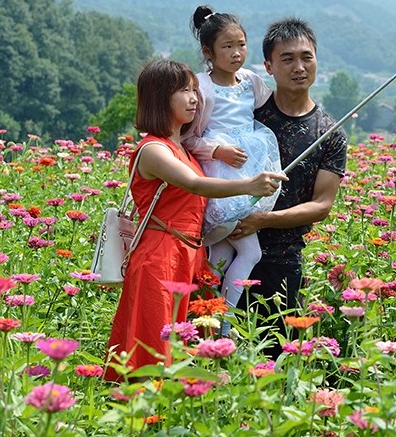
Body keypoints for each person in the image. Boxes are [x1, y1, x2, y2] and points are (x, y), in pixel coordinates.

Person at [104, 59, 286, 381]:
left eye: (194, 90)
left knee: (186, 352)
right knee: (153, 353)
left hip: (190, 255)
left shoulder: (184, 148)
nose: (194, 98)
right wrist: (249, 185)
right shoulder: (153, 149)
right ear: (160, 98)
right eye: (184, 91)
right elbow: (195, 184)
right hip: (161, 256)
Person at [229, 17, 347, 358]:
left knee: (272, 362)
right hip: (224, 247)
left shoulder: (329, 134)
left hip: (282, 261)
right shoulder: (249, 115)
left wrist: (263, 220)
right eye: (287, 59)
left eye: (306, 57)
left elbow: (322, 205)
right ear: (268, 66)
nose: (299, 67)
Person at [183, 5, 281, 312]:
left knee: (222, 255)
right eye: (227, 46)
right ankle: (223, 319)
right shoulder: (203, 86)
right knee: (250, 253)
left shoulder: (250, 80)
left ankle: (204, 316)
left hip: (247, 168)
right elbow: (188, 138)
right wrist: (217, 151)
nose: (237, 53)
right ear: (208, 52)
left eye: (241, 44)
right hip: (220, 175)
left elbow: (270, 105)